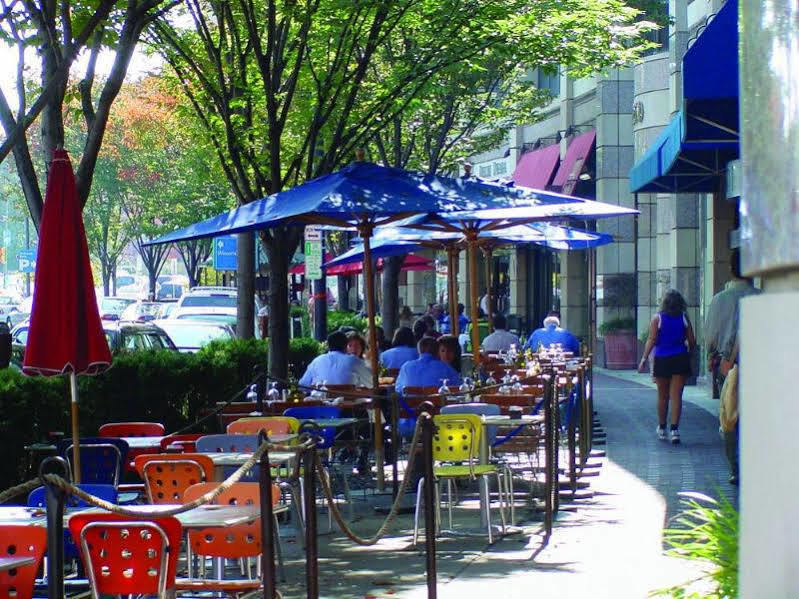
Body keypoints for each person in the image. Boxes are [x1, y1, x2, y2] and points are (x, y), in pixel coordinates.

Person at [705, 249, 760, 484]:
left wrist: (711, 356)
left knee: (729, 415)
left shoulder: (719, 300)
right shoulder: (762, 296)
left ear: (731, 269)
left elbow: (710, 335)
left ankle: (736, 466)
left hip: (727, 366)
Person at [638, 289, 696, 445]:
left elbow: (651, 339)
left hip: (662, 359)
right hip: (680, 358)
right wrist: (690, 353)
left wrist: (644, 359)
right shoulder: (684, 318)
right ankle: (675, 430)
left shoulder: (657, 319)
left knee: (662, 396)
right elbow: (692, 340)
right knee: (676, 396)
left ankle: (662, 427)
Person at [299, 330, 371, 388]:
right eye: (350, 345)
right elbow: (371, 383)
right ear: (345, 346)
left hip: (321, 404)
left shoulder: (316, 361)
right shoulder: (353, 360)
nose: (353, 348)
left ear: (328, 346)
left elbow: (303, 385)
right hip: (350, 404)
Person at [395, 336, 462, 394]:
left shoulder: (406, 366)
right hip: (438, 407)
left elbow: (398, 389)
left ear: (419, 351)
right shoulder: (445, 368)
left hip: (410, 408)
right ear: (437, 351)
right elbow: (459, 389)